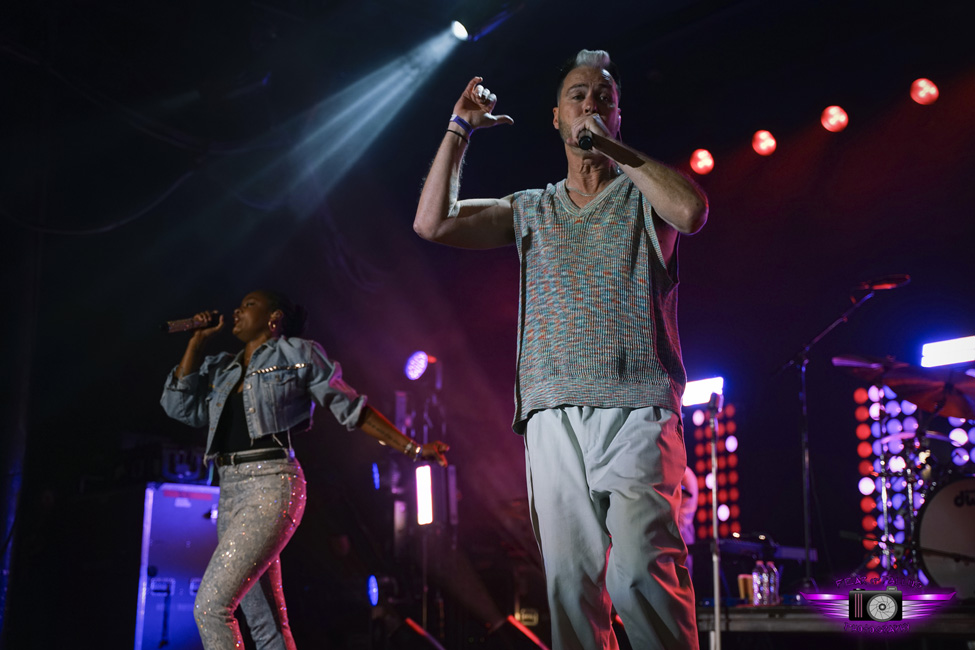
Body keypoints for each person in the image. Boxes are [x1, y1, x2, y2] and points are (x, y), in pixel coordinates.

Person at [413, 49, 707, 650]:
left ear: (618, 117)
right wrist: (460, 128)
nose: (591, 104)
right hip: (551, 412)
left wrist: (614, 150)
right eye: (578, 95)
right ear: (555, 117)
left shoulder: (642, 197)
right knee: (570, 586)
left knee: (642, 577)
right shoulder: (532, 207)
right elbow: (431, 223)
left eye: (604, 98)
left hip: (637, 408)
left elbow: (691, 211)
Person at [161, 289, 448, 650]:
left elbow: (352, 409)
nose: (237, 310)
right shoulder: (223, 367)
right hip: (229, 490)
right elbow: (179, 406)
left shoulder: (298, 354)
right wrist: (197, 342)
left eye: (249, 305)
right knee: (266, 623)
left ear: (274, 318)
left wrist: (414, 448)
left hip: (271, 486)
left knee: (211, 607)